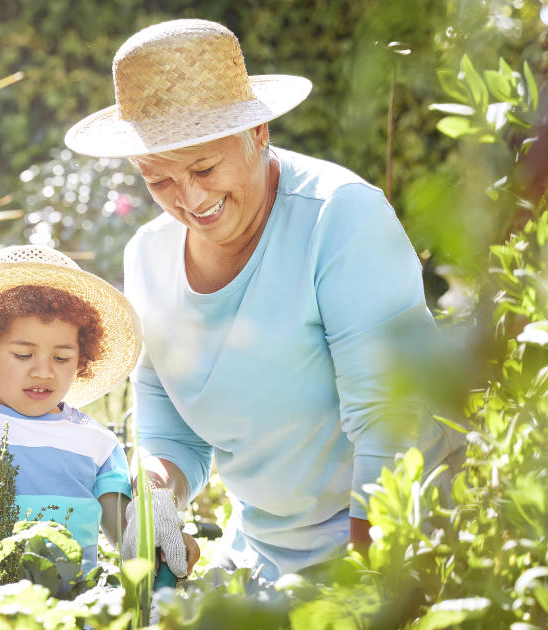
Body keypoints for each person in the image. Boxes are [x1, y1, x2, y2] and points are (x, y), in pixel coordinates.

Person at [65, 19, 464, 580]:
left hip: (400, 535)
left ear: (258, 132)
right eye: (160, 179)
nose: (191, 198)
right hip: (263, 550)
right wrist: (156, 494)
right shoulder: (148, 257)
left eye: (204, 167)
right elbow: (172, 432)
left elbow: (390, 422)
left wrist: (370, 592)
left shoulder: (339, 217)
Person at [0, 245, 143, 570]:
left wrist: (154, 539)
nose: (43, 371)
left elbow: (125, 533)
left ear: (81, 360)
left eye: (62, 358)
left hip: (75, 609)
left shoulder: (97, 443)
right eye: (23, 355)